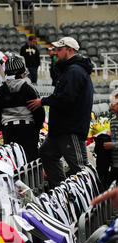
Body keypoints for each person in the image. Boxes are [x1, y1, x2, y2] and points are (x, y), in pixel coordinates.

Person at [27, 37, 93, 189]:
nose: (56, 53)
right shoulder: (70, 69)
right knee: (47, 153)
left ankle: (91, 203)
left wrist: (42, 101)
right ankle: (61, 190)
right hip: (61, 129)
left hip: (70, 128)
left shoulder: (75, 71)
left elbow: (66, 98)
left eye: (59, 49)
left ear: (69, 50)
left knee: (80, 169)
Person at [0, 56, 45, 162]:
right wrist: (37, 127)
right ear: (22, 73)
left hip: (9, 130)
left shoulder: (0, 91)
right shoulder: (29, 89)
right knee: (30, 162)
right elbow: (39, 112)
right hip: (28, 130)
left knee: (14, 161)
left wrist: (4, 127)